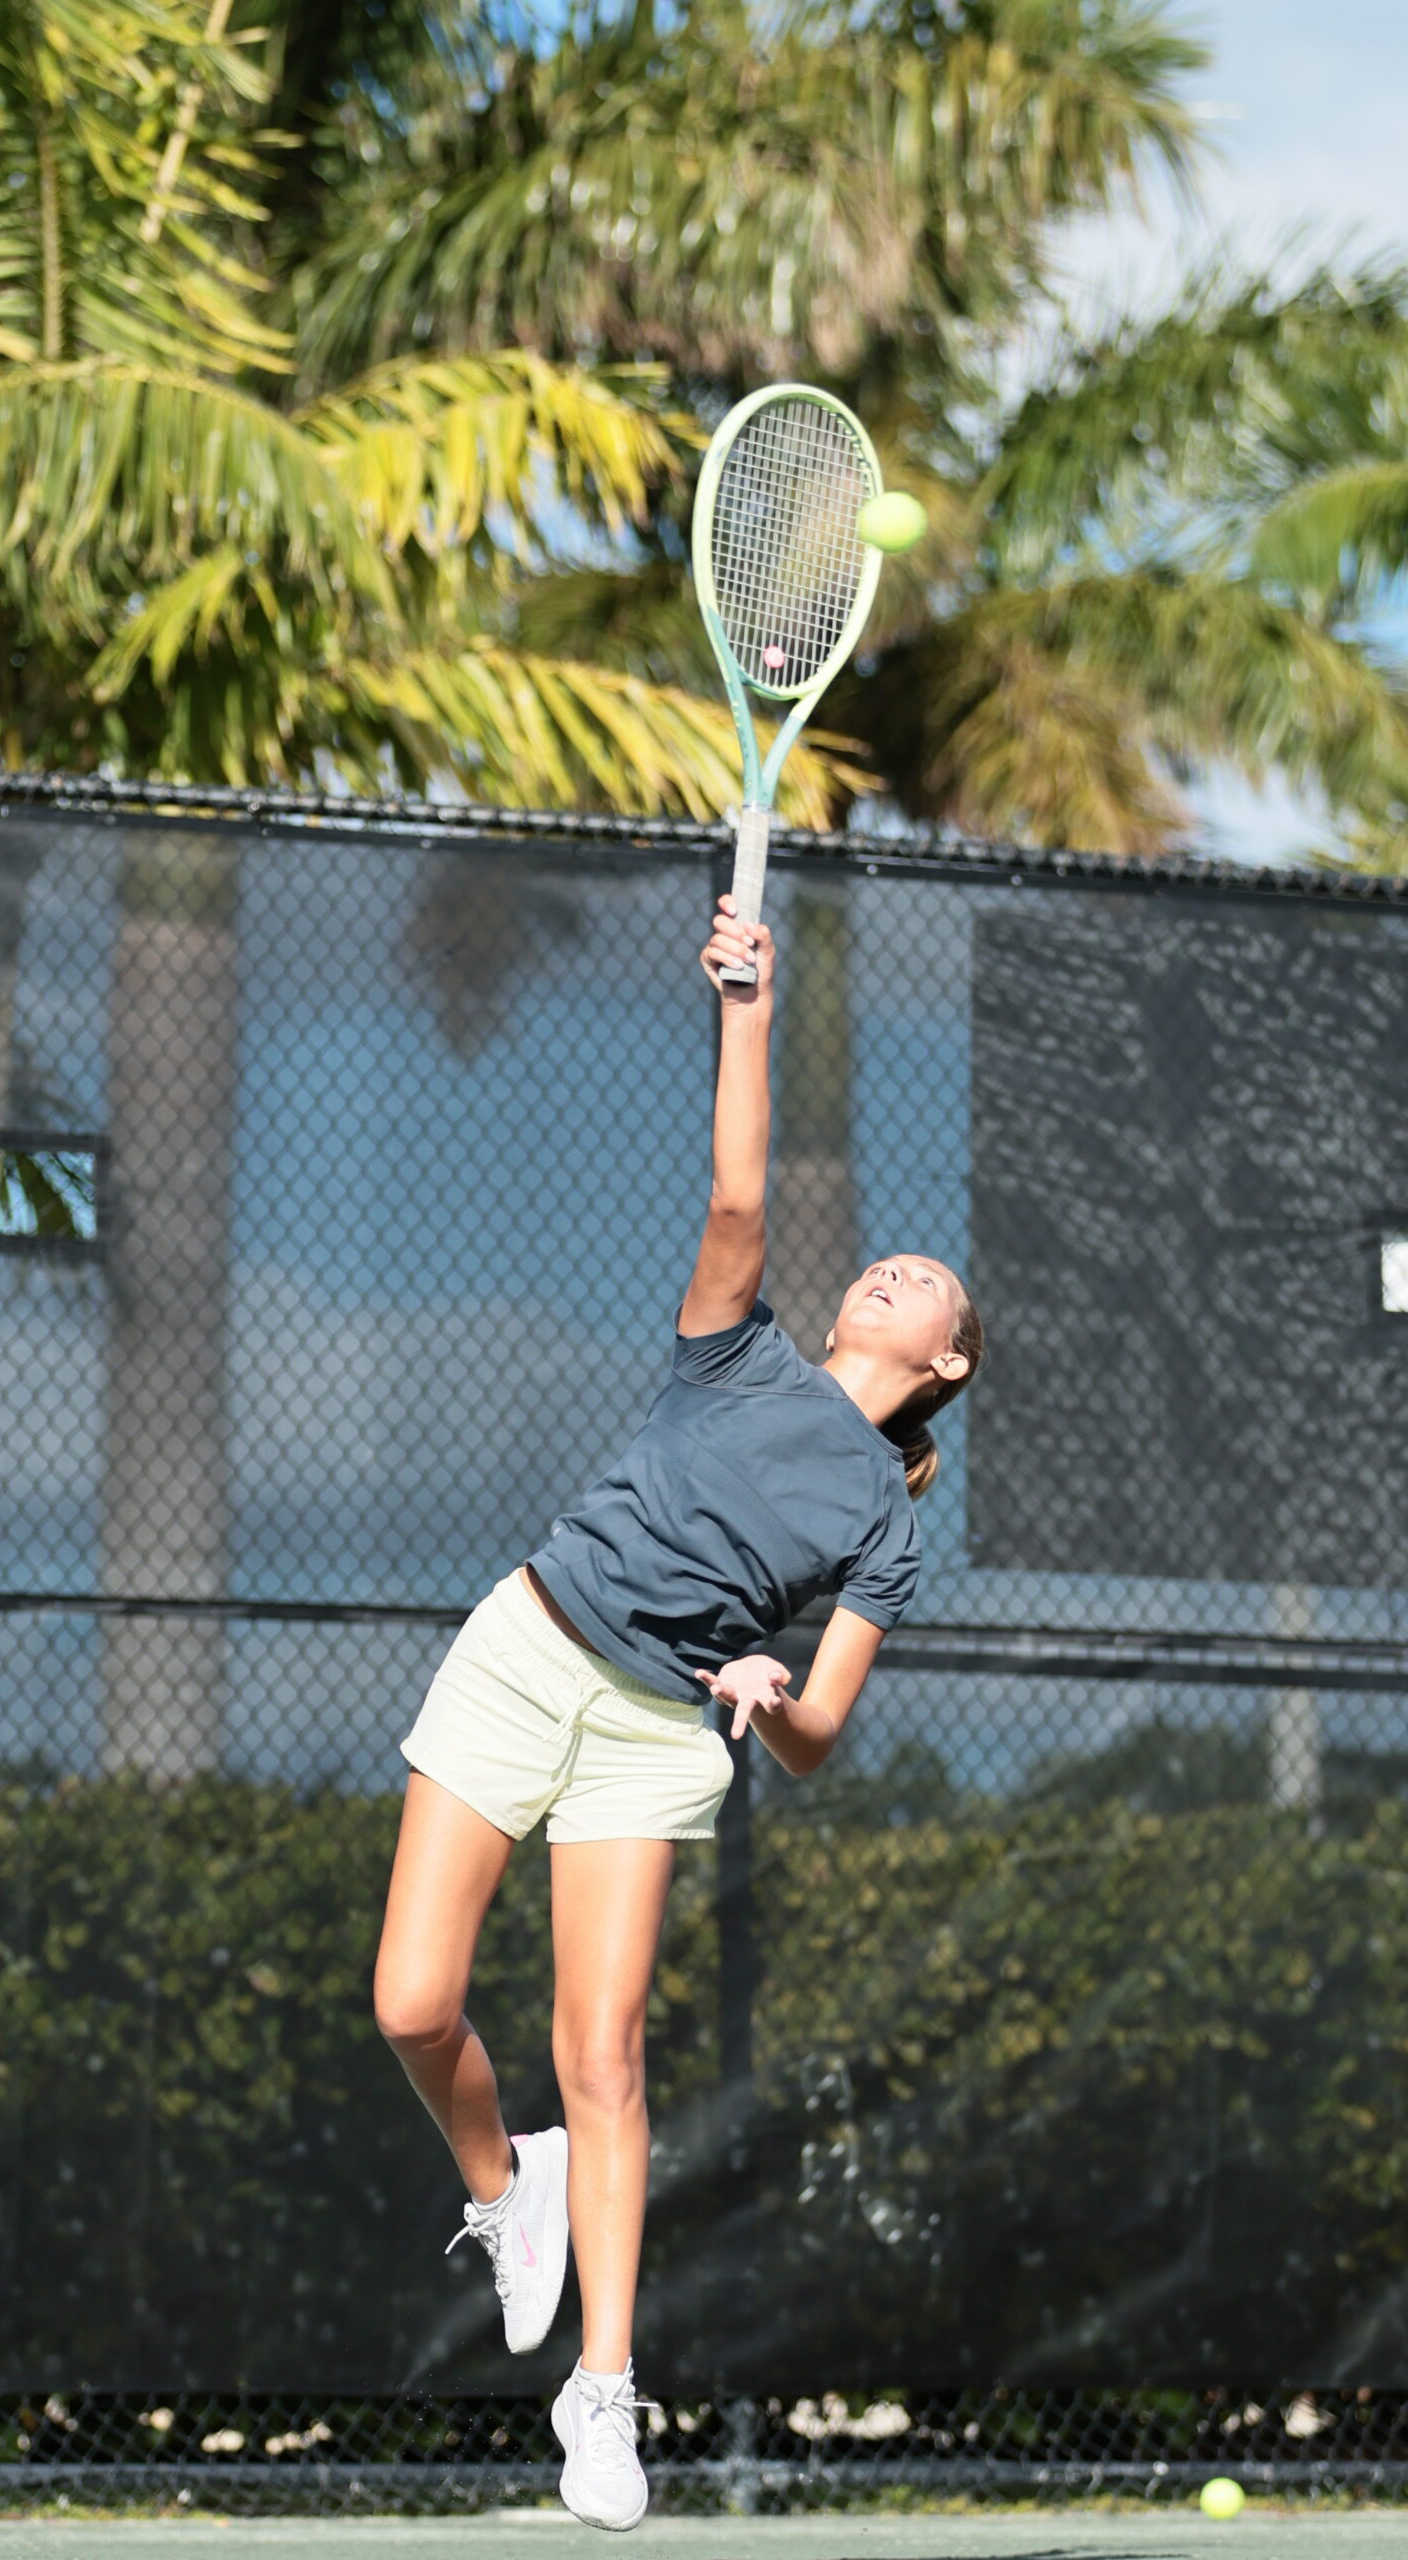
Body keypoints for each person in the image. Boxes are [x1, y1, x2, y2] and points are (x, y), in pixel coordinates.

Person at [373, 894, 983, 2532]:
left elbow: (820, 1734)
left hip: (656, 1732)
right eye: (881, 1263)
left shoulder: (885, 1527)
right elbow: (735, 1186)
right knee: (415, 2006)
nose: (890, 1267)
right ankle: (508, 2193)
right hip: (524, 1646)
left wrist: (767, 1694)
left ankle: (604, 2391)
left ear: (946, 1362)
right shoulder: (735, 1351)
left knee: (603, 2050)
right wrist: (747, 1004)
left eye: (922, 1281)